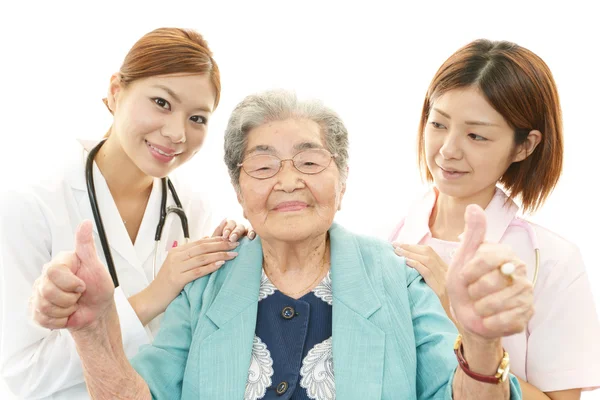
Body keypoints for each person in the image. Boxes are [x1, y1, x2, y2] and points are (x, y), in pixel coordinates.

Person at [35, 89, 534, 399]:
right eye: (264, 165)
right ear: (239, 190)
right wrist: (95, 334)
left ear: (343, 185)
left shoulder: (399, 278)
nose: (288, 181)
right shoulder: (206, 284)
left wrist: (482, 343)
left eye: (311, 162)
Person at [0, 27, 252, 399]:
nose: (177, 133)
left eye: (197, 118)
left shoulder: (194, 210)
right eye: (162, 103)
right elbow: (19, 376)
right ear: (116, 92)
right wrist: (155, 294)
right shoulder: (30, 205)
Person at [389, 39, 600, 400]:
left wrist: (459, 323)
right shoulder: (383, 239)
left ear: (524, 146)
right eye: (438, 123)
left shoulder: (549, 261)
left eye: (476, 135)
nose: (448, 149)